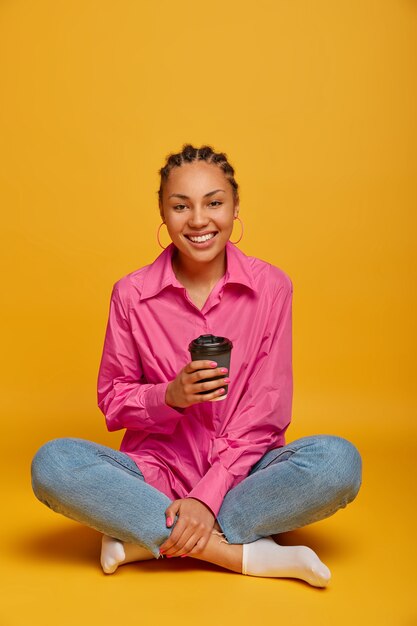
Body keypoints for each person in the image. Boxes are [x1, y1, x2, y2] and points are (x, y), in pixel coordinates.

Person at [31, 143, 362, 588]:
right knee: (52, 464)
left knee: (338, 463)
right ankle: (242, 556)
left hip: (244, 477)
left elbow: (268, 411)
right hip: (154, 477)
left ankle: (142, 536)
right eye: (181, 206)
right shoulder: (131, 295)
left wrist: (208, 496)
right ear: (163, 214)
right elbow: (113, 402)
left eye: (214, 203)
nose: (199, 220)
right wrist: (168, 396)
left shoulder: (271, 288)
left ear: (235, 207)